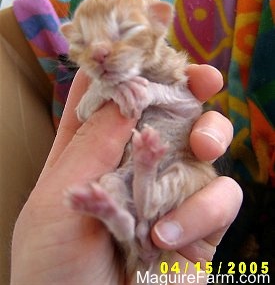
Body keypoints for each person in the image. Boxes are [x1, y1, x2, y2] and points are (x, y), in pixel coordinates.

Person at [10, 64, 243, 285]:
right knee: (113, 186)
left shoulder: (163, 67)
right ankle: (128, 218)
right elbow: (84, 110)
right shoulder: (105, 78)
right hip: (136, 192)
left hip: (162, 178)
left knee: (150, 189)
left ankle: (135, 217)